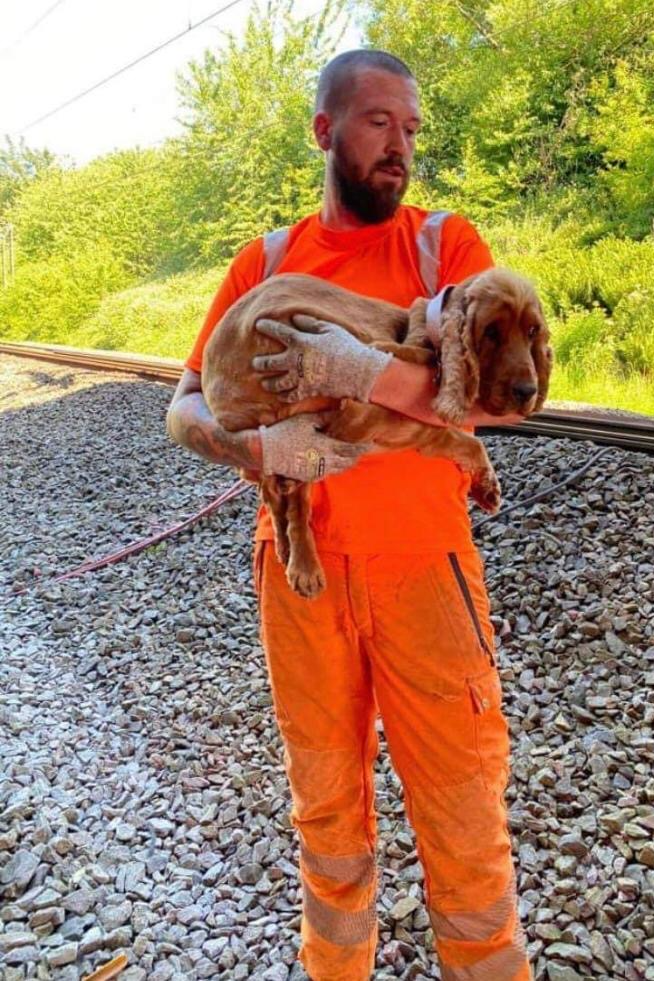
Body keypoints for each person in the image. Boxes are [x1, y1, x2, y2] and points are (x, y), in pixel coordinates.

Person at [167, 48, 532, 981]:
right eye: (378, 124)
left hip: (425, 569)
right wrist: (258, 452)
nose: (399, 147)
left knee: (462, 811)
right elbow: (184, 405)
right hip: (304, 576)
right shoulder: (270, 261)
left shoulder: (442, 249)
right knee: (326, 814)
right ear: (325, 131)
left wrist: (365, 373)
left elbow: (498, 399)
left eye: (410, 129)